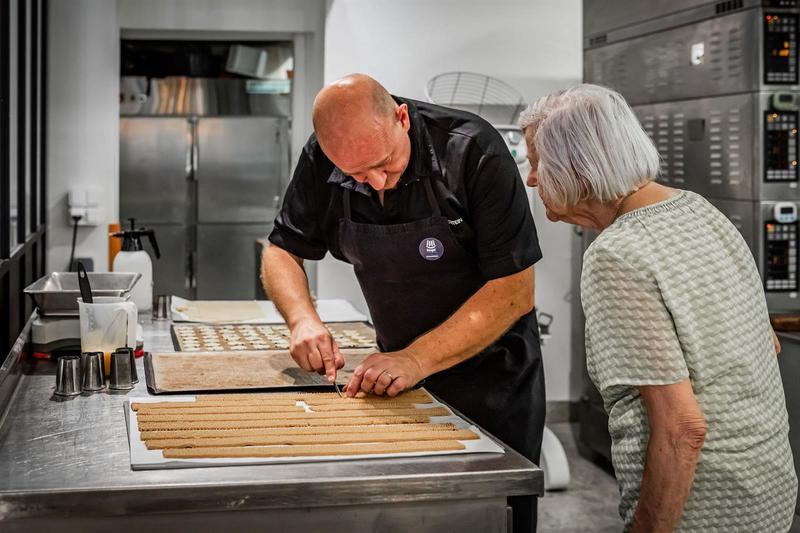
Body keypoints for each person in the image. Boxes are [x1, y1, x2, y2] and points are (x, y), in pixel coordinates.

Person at [262, 73, 545, 531]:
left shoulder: (472, 150)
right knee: (402, 515)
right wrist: (301, 320)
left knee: (486, 517)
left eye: (385, 163)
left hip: (493, 384)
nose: (375, 183)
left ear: (401, 117)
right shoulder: (322, 157)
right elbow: (281, 251)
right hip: (397, 383)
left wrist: (417, 357)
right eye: (356, 175)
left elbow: (514, 290)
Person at [519, 84, 798, 532]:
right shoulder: (700, 211)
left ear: (578, 167)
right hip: (768, 488)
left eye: (536, 163)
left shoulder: (618, 255)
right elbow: (764, 342)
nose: (531, 179)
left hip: (704, 508)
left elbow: (682, 428)